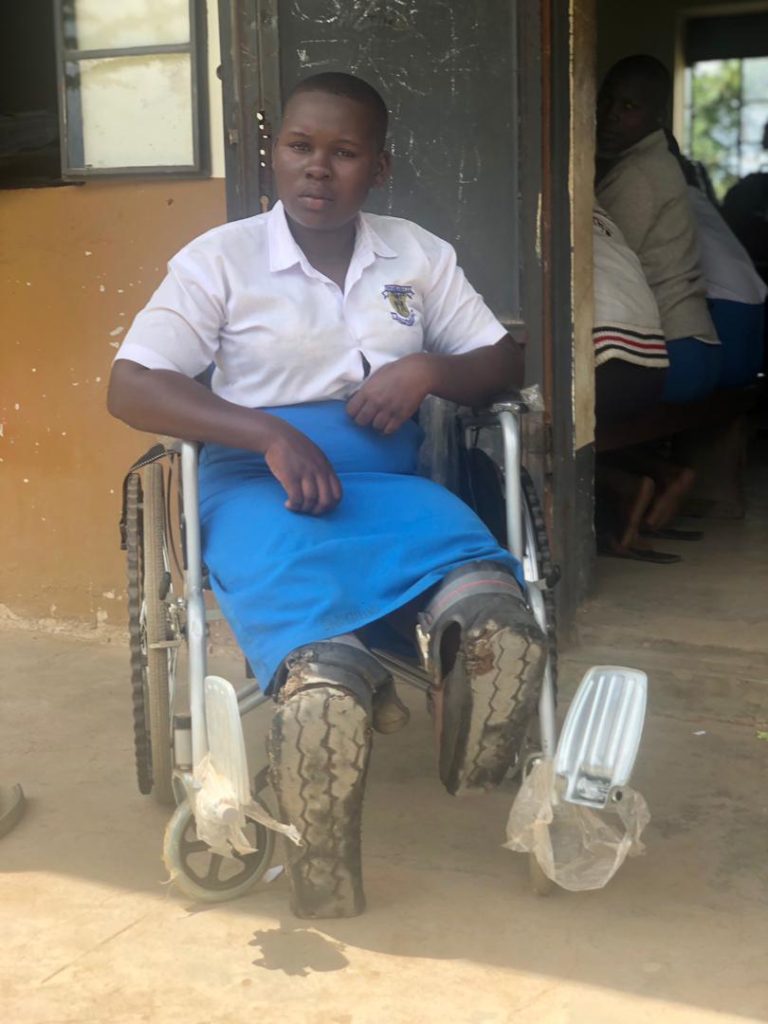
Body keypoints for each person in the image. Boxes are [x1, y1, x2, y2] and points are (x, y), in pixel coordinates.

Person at [107, 73, 546, 920]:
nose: (318, 169)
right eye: (301, 148)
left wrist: (428, 369)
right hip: (257, 483)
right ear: (275, 152)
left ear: (377, 167)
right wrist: (267, 433)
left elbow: (502, 360)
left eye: (343, 153)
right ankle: (322, 777)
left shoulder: (415, 254)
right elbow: (131, 386)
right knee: (324, 675)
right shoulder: (221, 260)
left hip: (389, 481)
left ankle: (473, 690)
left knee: (490, 592)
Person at [596, 55, 722, 405]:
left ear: (658, 117)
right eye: (606, 99)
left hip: (672, 350)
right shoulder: (658, 162)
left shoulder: (638, 173)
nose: (611, 115)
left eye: (629, 106)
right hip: (697, 345)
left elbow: (609, 269)